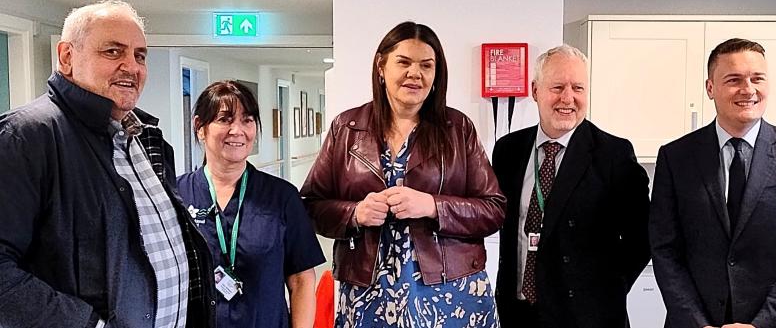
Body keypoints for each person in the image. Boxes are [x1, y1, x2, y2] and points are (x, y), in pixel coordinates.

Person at [0, 1, 215, 327]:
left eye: (140, 55)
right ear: (67, 57)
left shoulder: (147, 140)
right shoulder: (26, 137)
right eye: (113, 52)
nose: (132, 67)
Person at [300, 21, 506, 328]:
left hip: (451, 290)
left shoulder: (457, 128)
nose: (415, 73)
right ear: (381, 67)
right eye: (404, 62)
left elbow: (493, 209)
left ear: (437, 76)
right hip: (367, 291)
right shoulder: (347, 128)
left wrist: (432, 206)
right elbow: (310, 205)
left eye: (426, 65)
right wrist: (355, 213)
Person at [648, 38, 776, 328]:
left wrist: (762, 324)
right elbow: (665, 250)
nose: (748, 89)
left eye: (757, 78)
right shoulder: (675, 158)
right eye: (734, 80)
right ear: (710, 88)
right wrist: (698, 323)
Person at [491, 45, 651, 328]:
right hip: (517, 314)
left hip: (587, 318)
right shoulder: (508, 150)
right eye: (557, 87)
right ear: (535, 90)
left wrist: (606, 291)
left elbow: (644, 238)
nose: (568, 98)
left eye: (578, 87)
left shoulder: (613, 155)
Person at [176, 80, 325, 327]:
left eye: (247, 120)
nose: (238, 130)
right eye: (224, 120)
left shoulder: (282, 197)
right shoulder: (177, 195)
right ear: (200, 127)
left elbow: (301, 280)